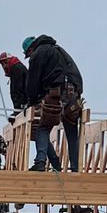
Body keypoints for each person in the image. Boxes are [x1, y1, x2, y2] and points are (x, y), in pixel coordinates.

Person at [20, 33, 83, 171]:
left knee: (42, 129)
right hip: (73, 95)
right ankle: (75, 169)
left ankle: (40, 162)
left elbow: (33, 82)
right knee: (71, 131)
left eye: (28, 54)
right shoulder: (59, 50)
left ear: (30, 50)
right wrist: (77, 93)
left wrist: (31, 101)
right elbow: (75, 74)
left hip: (56, 94)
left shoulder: (38, 54)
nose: (29, 56)